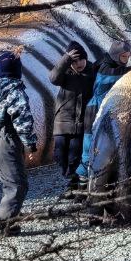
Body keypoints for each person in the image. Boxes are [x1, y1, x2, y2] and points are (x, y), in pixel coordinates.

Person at [0, 48, 39, 235]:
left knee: (9, 181)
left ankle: (12, 218)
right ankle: (5, 223)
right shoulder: (15, 91)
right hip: (9, 138)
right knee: (18, 184)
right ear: (17, 70)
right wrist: (30, 143)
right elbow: (22, 119)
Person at [76, 40, 131, 192]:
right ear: (116, 55)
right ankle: (80, 186)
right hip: (94, 110)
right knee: (89, 148)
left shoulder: (108, 64)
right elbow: (114, 77)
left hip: (104, 109)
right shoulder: (105, 67)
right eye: (123, 57)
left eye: (128, 57)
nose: (126, 60)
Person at [47, 40, 96, 189]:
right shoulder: (65, 73)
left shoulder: (93, 70)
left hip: (82, 122)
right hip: (63, 121)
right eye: (75, 61)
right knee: (59, 155)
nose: (79, 63)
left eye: (81, 59)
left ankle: (73, 184)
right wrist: (66, 59)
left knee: (75, 156)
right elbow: (53, 78)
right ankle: (70, 178)